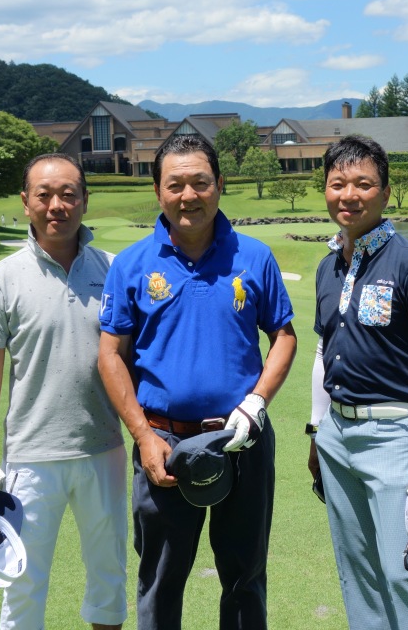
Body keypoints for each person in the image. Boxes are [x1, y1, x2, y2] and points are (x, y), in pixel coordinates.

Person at [97, 135, 297, 630]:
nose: (189, 195)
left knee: (245, 577)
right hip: (164, 443)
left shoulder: (255, 256)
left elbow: (284, 336)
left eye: (200, 182)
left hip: (242, 438)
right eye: (176, 185)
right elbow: (110, 356)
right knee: (161, 580)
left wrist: (258, 400)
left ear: (219, 185)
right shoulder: (132, 264)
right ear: (158, 191)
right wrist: (143, 435)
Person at [0, 152, 128, 630]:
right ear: (26, 202)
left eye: (68, 194)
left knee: (109, 576)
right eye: (44, 195)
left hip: (103, 448)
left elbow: (133, 359)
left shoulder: (115, 270)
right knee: (22, 582)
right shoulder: (0, 279)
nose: (57, 205)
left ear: (85, 200)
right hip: (30, 456)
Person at [306, 134, 408, 629]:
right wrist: (316, 431)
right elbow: (323, 353)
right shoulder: (328, 266)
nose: (349, 195)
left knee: (402, 571)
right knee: (359, 572)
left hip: (396, 435)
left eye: (363, 184)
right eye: (338, 184)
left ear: (386, 193)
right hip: (337, 436)